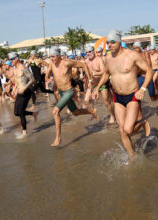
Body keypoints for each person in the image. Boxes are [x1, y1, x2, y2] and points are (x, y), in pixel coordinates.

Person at [93, 30, 152, 162]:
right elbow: (106, 74)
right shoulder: (108, 58)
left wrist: (143, 89)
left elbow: (149, 70)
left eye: (113, 42)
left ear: (119, 42)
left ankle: (143, 122)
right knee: (121, 131)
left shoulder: (132, 55)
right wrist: (96, 88)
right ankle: (132, 156)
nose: (110, 45)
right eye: (108, 43)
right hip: (117, 97)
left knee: (128, 130)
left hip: (132, 95)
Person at [45, 47, 98, 147]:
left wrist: (90, 79)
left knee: (55, 111)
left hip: (69, 91)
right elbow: (46, 76)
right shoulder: (51, 64)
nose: (51, 59)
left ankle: (58, 138)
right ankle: (91, 111)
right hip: (61, 92)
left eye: (53, 56)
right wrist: (50, 79)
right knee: (76, 113)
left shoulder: (67, 63)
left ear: (59, 56)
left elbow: (83, 65)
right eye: (50, 57)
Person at [9, 52, 38, 136]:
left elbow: (32, 79)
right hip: (19, 92)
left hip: (26, 91)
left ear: (16, 59)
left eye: (11, 59)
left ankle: (24, 132)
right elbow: (17, 81)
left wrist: (24, 87)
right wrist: (14, 89)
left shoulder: (23, 68)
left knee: (21, 112)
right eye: (10, 59)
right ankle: (34, 114)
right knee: (16, 113)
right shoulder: (15, 69)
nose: (11, 61)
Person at [85, 45, 115, 124]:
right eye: (87, 52)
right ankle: (94, 114)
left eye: (90, 51)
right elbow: (86, 72)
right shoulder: (86, 61)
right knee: (86, 100)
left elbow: (104, 71)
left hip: (101, 83)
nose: (88, 53)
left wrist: (95, 73)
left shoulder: (99, 60)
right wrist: (86, 80)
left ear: (93, 52)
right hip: (92, 84)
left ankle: (112, 115)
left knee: (106, 102)